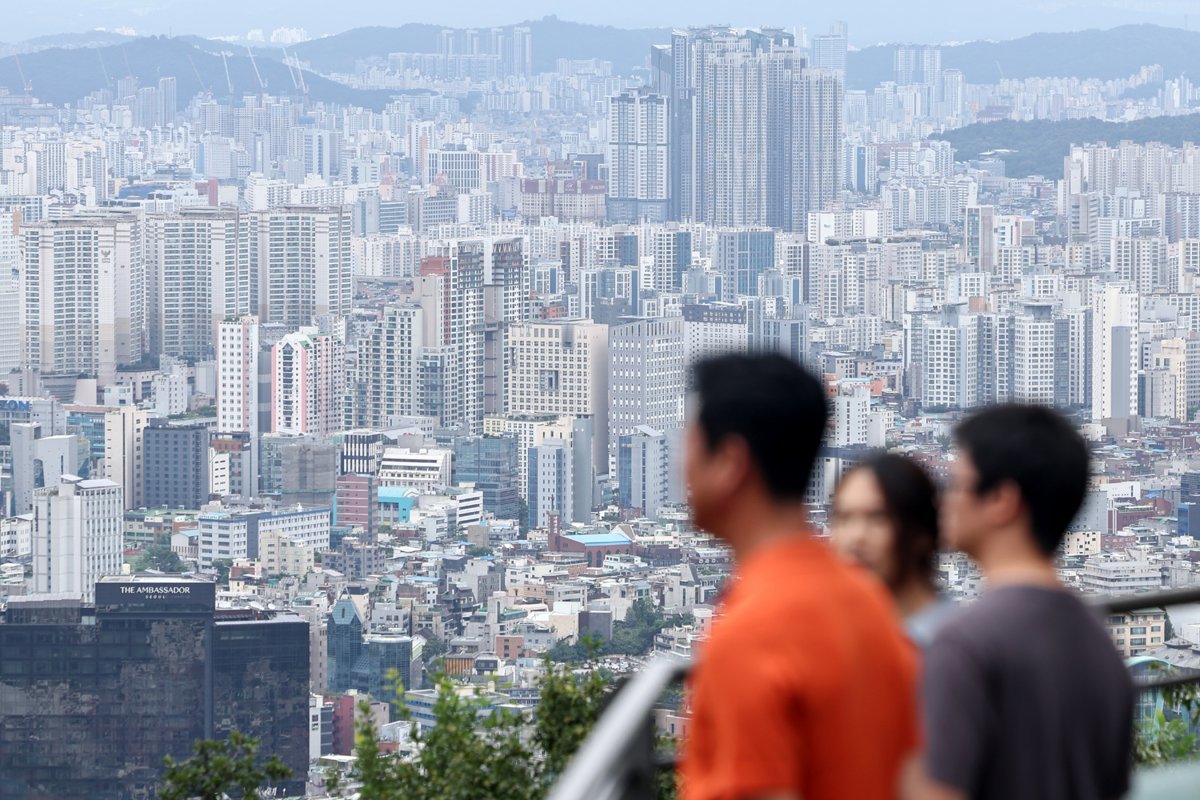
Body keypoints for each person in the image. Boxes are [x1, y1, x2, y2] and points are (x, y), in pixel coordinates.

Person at [680, 353, 920, 800]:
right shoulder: (870, 602)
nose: (683, 469)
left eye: (691, 447)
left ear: (731, 462)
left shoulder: (752, 633)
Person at [916, 405, 1134, 800]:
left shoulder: (965, 644)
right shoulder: (1100, 643)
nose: (945, 500)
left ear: (1002, 499)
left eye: (956, 484)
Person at [830, 452, 956, 647]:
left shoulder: (953, 642)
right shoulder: (839, 642)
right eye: (844, 518)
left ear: (921, 533)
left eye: (877, 518)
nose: (856, 537)